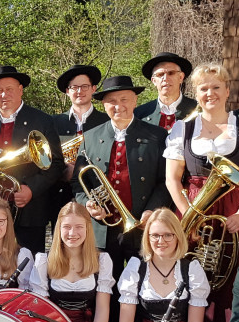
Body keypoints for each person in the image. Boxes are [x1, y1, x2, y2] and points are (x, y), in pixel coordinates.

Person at [164, 62, 239, 322]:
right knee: (193, 276)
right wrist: (189, 216)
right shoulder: (182, 127)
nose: (210, 93)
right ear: (196, 92)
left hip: (235, 213)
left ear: (227, 90)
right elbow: (173, 179)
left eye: (216, 87)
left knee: (233, 283)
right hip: (195, 210)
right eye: (204, 88)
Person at [73, 75, 172, 275]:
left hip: (142, 224)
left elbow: (165, 182)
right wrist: (88, 205)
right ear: (103, 104)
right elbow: (78, 184)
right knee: (104, 284)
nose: (118, 106)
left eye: (124, 99)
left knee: (144, 281)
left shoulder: (157, 136)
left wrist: (152, 211)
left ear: (135, 100)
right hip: (103, 228)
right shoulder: (90, 137)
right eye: (111, 101)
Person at [0, 65, 64, 254]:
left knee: (30, 265)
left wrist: (31, 189)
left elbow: (56, 164)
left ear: (20, 90)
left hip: (29, 211)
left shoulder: (42, 120)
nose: (4, 95)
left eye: (9, 89)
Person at [49, 64, 107, 232]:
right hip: (61, 196)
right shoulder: (53, 122)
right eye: (74, 87)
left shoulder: (106, 121)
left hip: (97, 197)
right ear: (67, 91)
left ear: (94, 89)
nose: (79, 91)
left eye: (84, 86)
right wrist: (62, 171)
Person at [135, 52, 198, 130]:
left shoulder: (197, 109)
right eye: (160, 74)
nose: (165, 78)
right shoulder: (139, 114)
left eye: (171, 73)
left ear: (181, 77)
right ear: (154, 81)